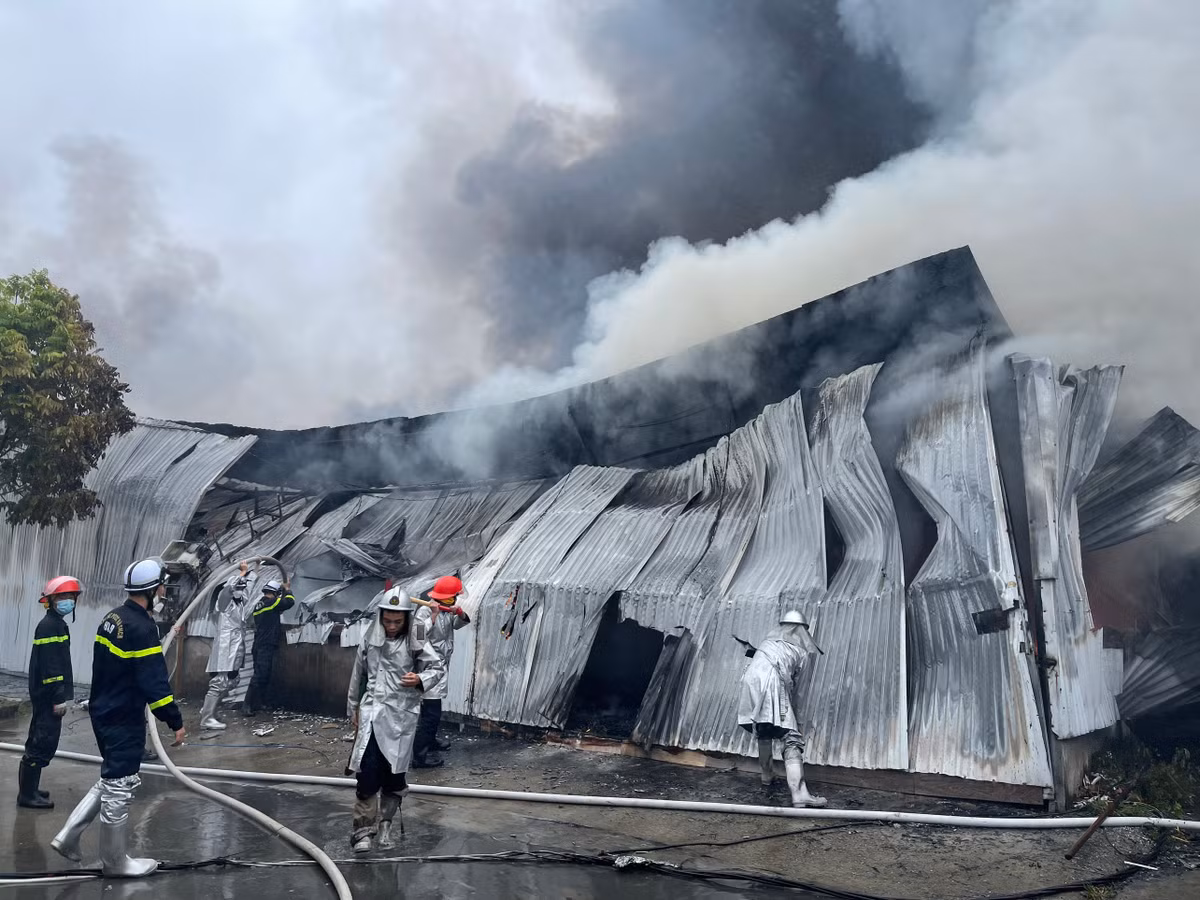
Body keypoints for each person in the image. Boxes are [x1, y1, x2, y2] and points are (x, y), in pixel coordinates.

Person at [51, 558, 186, 877]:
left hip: (103, 710)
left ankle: (68, 836)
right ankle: (115, 862)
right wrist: (174, 720)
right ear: (153, 590)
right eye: (162, 586)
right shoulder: (142, 628)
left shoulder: (112, 618)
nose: (165, 590)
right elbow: (154, 682)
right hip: (123, 716)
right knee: (120, 783)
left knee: (110, 777)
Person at [346, 587, 444, 853]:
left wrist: (420, 679)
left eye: (397, 621)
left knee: (394, 777)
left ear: (406, 619)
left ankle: (386, 824)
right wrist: (353, 708)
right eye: (387, 620)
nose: (391, 626)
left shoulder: (416, 637)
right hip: (372, 714)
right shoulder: (371, 636)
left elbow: (437, 667)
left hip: (401, 717)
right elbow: (359, 673)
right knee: (367, 773)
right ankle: (363, 831)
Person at [736, 610, 827, 809]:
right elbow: (799, 692)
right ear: (802, 631)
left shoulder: (767, 644)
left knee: (764, 728)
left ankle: (767, 775)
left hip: (749, 681)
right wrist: (796, 720)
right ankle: (800, 794)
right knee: (791, 737)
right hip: (771, 681)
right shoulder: (800, 651)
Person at [17, 577, 80, 809]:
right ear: (51, 600)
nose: (68, 601)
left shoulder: (56, 623)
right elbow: (52, 667)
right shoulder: (50, 626)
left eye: (71, 597)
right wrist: (58, 698)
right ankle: (27, 796)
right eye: (63, 597)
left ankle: (31, 789)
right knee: (41, 742)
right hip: (47, 697)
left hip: (44, 695)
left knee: (41, 740)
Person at [411, 575, 471, 768]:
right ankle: (419, 757)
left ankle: (431, 741)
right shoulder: (424, 611)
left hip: (442, 665)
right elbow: (417, 638)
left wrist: (460, 613)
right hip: (428, 667)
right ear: (448, 597)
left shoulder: (446, 611)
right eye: (455, 596)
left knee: (434, 711)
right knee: (431, 715)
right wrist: (433, 616)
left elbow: (458, 624)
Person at [199, 560, 253, 730]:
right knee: (220, 682)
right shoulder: (224, 603)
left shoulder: (240, 604)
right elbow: (228, 590)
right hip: (225, 648)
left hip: (235, 648)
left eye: (242, 589)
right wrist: (241, 573)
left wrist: (250, 574)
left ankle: (209, 710)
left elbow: (247, 589)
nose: (241, 591)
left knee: (233, 680)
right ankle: (207, 717)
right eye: (239, 588)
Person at [242, 578, 296, 716]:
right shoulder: (272, 602)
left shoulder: (260, 604)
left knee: (264, 675)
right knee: (260, 675)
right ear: (276, 593)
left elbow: (272, 615)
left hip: (259, 644)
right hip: (265, 645)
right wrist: (288, 589)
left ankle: (259, 704)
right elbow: (290, 602)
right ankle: (246, 705)